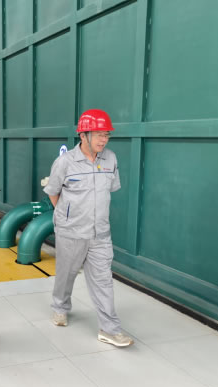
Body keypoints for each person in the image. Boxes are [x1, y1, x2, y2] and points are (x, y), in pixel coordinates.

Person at [43, 109, 133, 347]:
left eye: (107, 135)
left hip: (100, 233)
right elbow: (53, 192)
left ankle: (110, 329)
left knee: (103, 280)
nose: (104, 139)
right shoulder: (65, 162)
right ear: (83, 135)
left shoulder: (110, 159)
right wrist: (67, 215)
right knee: (66, 274)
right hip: (71, 232)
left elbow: (109, 189)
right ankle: (60, 307)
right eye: (99, 134)